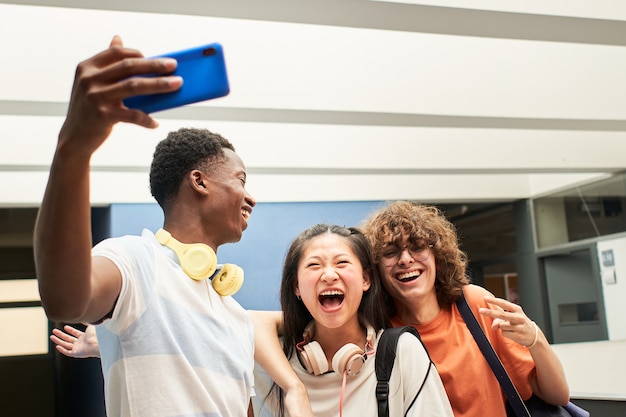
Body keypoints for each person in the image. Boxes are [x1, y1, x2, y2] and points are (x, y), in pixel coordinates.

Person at [34, 36, 310, 417]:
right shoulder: (135, 261)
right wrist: (74, 147)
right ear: (200, 182)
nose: (251, 198)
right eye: (241, 180)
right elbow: (64, 300)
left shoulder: (233, 314)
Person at [52, 224, 454, 417]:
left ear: (366, 279)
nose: (328, 274)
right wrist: (109, 340)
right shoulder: (273, 361)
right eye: (313, 266)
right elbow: (201, 347)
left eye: (342, 264)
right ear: (297, 288)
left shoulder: (400, 352)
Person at [359, 201, 570, 417]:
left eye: (417, 247)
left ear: (438, 258)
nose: (405, 260)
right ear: (375, 269)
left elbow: (556, 396)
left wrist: (535, 339)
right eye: (391, 253)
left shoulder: (475, 305)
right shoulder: (375, 332)